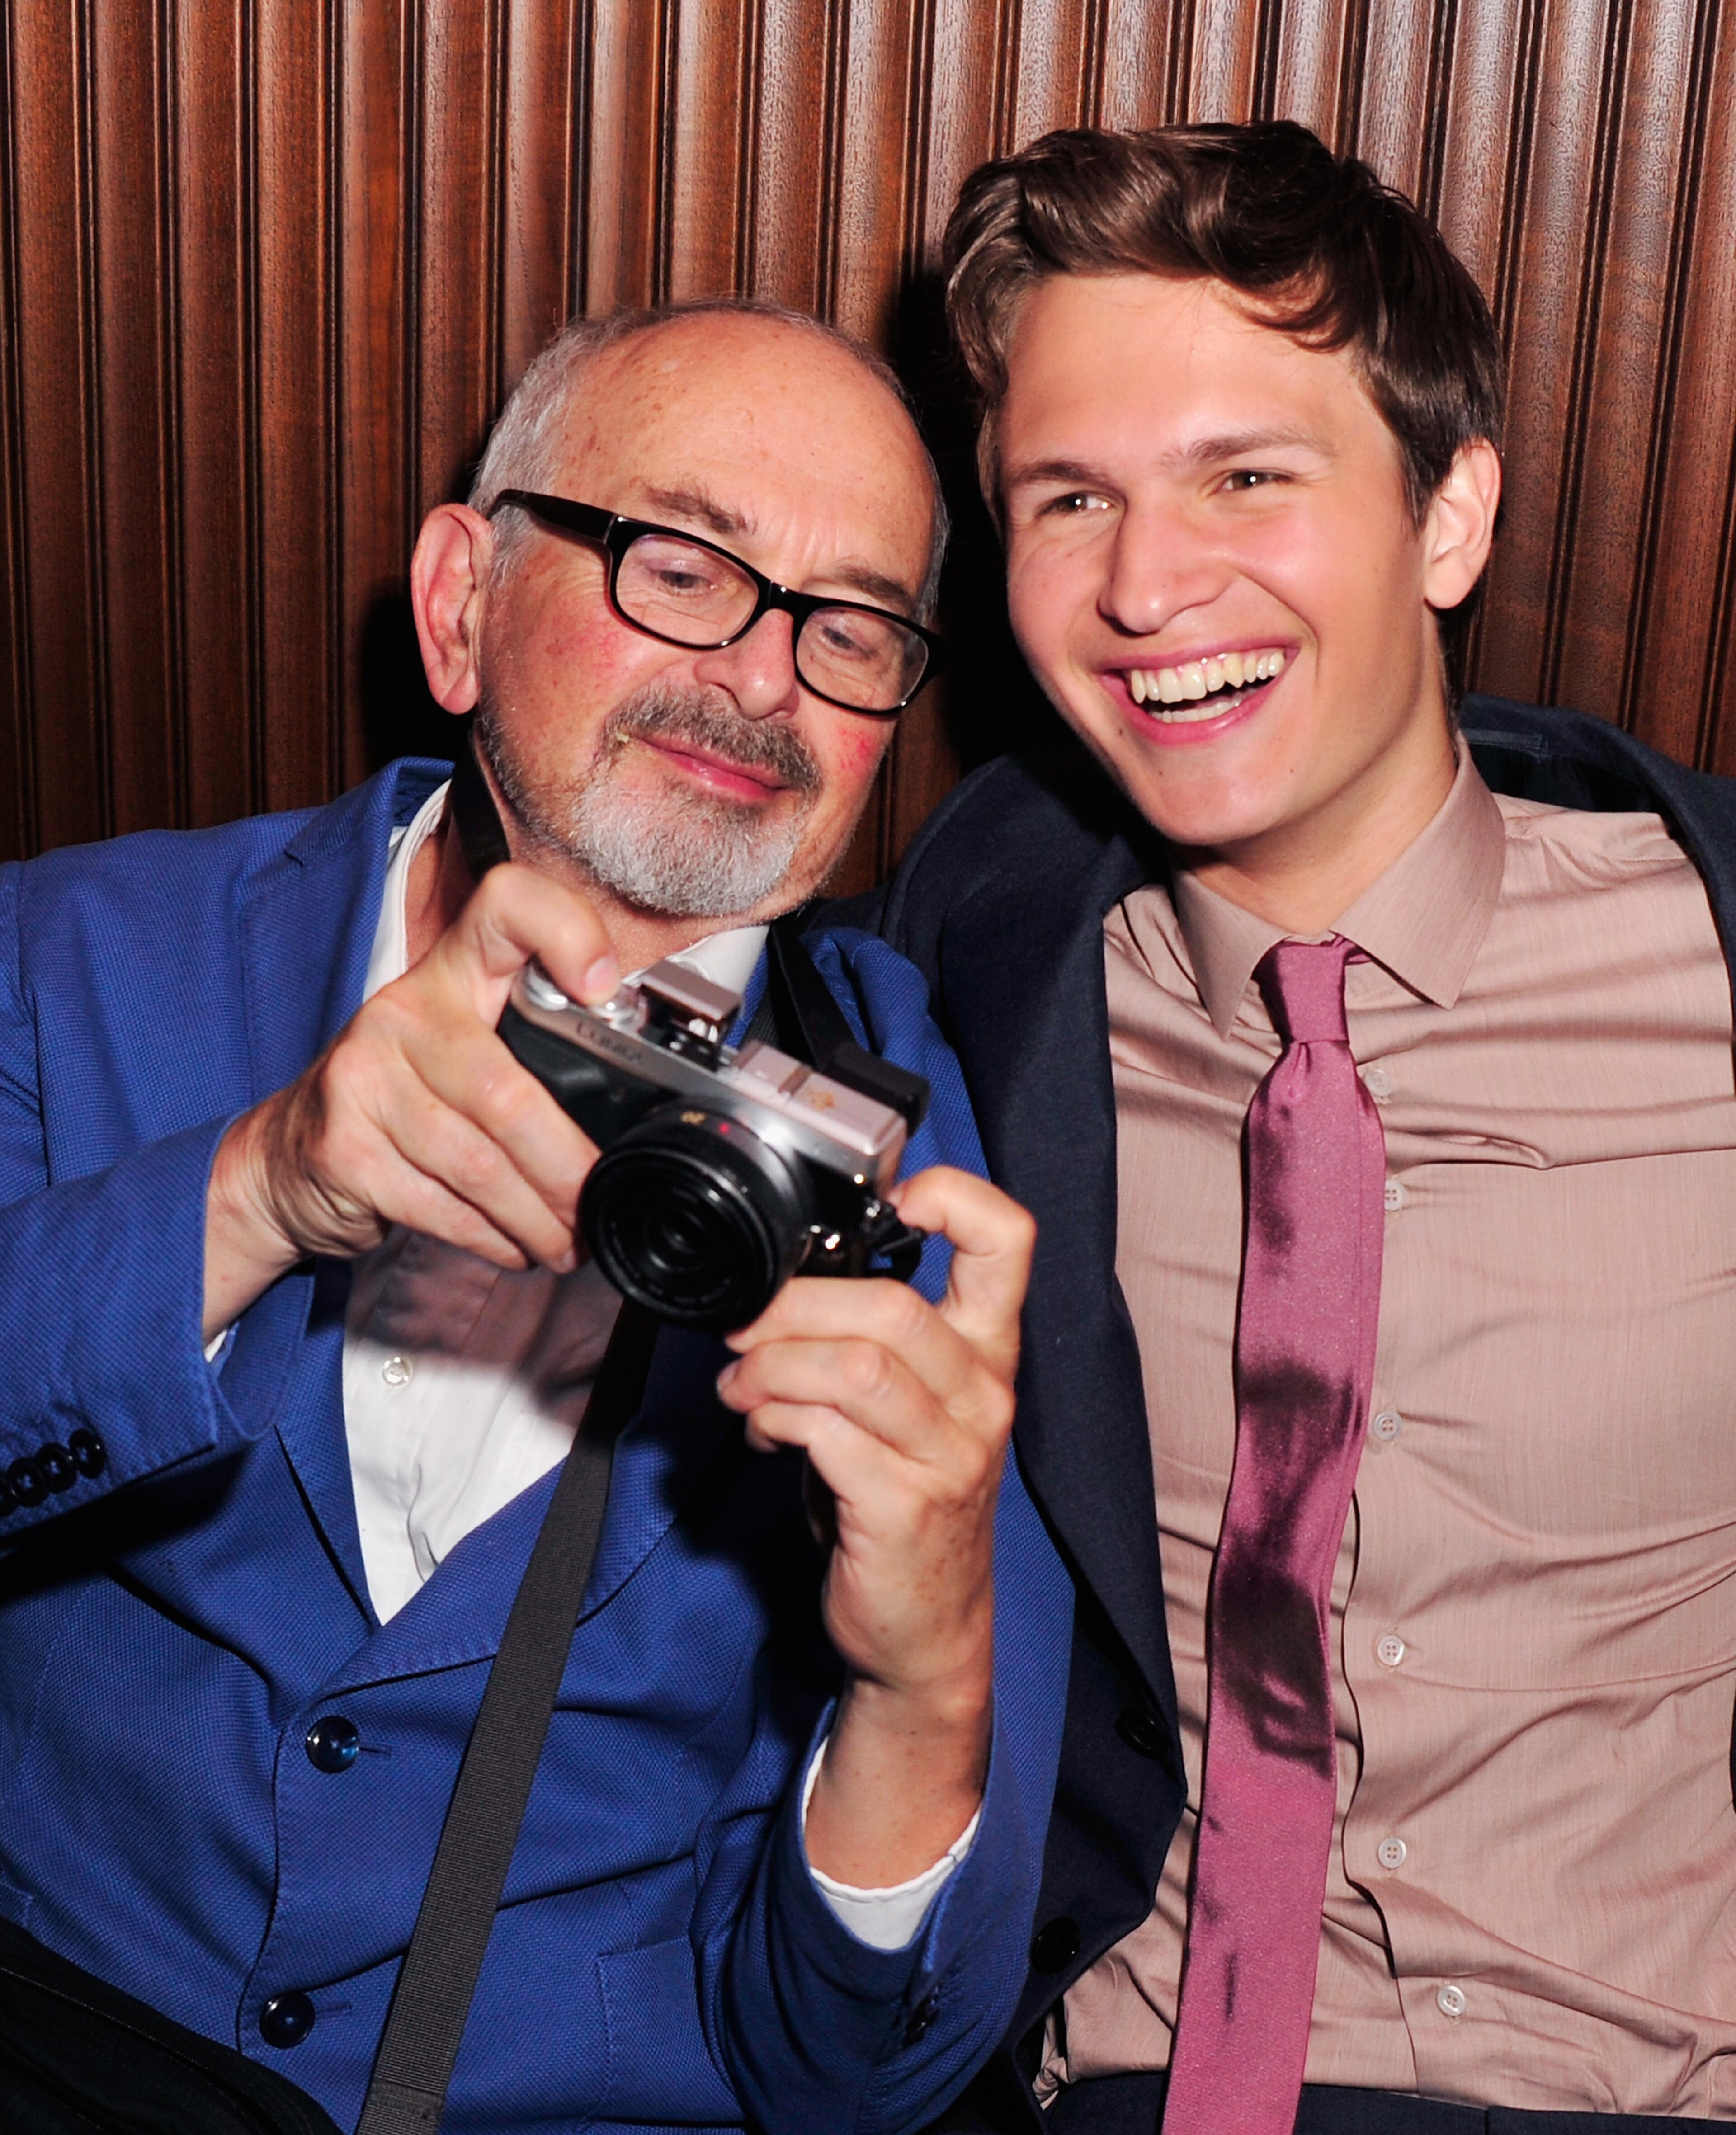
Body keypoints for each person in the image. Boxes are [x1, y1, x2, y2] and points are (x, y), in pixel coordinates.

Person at [0, 298, 1072, 2134]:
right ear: (457, 603)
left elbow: (859, 2078)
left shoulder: (936, 1191)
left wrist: (923, 1670)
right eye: (681, 564)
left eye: (854, 623)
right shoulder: (67, 955)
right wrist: (263, 1185)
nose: (763, 679)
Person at [855, 121, 1736, 2130]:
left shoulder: (1713, 970)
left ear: (1450, 521)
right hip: (1114, 2084)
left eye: (1248, 475)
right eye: (1068, 499)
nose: (1151, 586)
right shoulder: (955, 995)